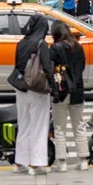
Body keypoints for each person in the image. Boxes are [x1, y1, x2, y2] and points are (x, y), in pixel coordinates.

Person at [13, 15, 56, 175]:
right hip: (37, 89)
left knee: (24, 125)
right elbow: (47, 68)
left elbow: (17, 65)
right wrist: (54, 89)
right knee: (39, 126)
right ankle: (36, 164)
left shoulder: (21, 43)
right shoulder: (41, 44)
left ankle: (20, 162)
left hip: (21, 89)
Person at [50, 20, 90, 172]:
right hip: (77, 90)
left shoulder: (54, 48)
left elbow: (50, 68)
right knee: (79, 125)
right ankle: (83, 160)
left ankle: (62, 163)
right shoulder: (78, 47)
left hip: (61, 90)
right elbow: (82, 67)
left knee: (60, 127)